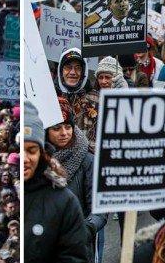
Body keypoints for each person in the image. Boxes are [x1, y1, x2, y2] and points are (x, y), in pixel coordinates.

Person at [23, 103, 94, 263]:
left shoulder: (64, 201)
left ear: (42, 152)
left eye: (32, 150)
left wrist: (85, 229)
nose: (24, 159)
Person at [45, 98, 107, 261]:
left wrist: (83, 231)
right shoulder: (36, 161)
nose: (64, 133)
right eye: (57, 128)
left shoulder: (88, 160)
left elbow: (99, 210)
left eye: (68, 127)